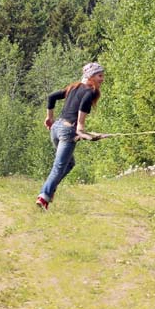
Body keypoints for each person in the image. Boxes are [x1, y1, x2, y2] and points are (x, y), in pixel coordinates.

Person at [36, 62, 109, 211]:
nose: (102, 79)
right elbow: (83, 106)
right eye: (100, 76)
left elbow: (51, 97)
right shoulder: (91, 91)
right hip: (68, 131)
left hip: (56, 128)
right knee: (59, 166)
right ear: (91, 76)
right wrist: (81, 129)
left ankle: (49, 191)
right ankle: (44, 196)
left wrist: (49, 118)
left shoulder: (73, 87)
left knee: (69, 164)